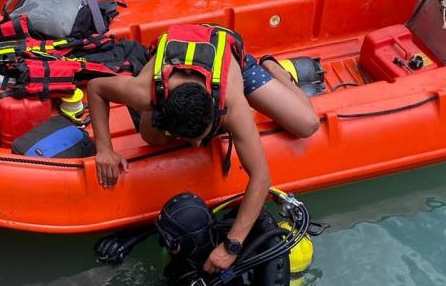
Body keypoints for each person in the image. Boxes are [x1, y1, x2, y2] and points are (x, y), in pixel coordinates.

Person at [87, 24, 319, 274]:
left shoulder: (232, 102)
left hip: (228, 58)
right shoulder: (146, 92)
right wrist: (105, 149)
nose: (197, 146)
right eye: (189, 139)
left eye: (202, 136)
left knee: (307, 123)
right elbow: (96, 88)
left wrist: (232, 246)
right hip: (169, 65)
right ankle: (165, 119)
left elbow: (261, 178)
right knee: (151, 137)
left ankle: (274, 68)